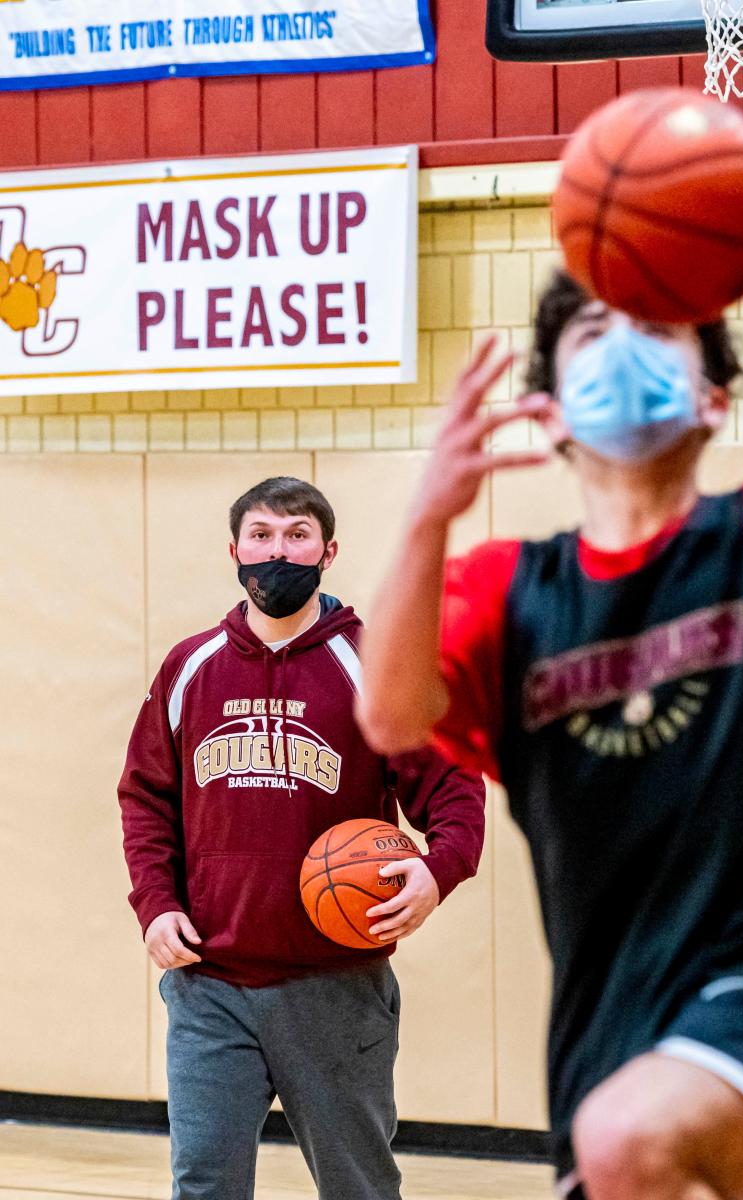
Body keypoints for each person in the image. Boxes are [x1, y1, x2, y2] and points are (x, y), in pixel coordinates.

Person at [354, 219, 743, 1200]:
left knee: (625, 1135)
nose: (622, 341)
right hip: (618, 1020)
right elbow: (388, 716)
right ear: (549, 414)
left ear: (712, 398)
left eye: (657, 326)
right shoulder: (508, 592)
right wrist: (426, 515)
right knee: (619, 1143)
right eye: (591, 330)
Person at [118, 475, 485, 1200]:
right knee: (204, 1185)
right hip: (208, 981)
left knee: (359, 1188)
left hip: (334, 985)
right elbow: (146, 796)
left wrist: (438, 872)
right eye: (260, 535)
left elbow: (454, 788)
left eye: (296, 536)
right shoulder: (190, 667)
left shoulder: (371, 666)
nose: (276, 551)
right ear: (234, 550)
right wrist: (156, 903)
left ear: (327, 551)